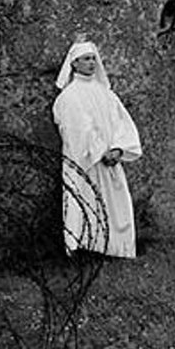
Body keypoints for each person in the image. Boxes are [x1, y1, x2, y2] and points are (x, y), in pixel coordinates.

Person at [52, 40, 141, 258]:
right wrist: (100, 152)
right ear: (74, 64)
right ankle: (88, 250)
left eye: (93, 58)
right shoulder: (69, 97)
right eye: (86, 59)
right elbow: (77, 129)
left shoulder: (107, 94)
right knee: (86, 205)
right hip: (87, 164)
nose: (91, 63)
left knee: (117, 207)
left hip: (110, 162)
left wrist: (118, 149)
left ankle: (117, 250)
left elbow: (122, 122)